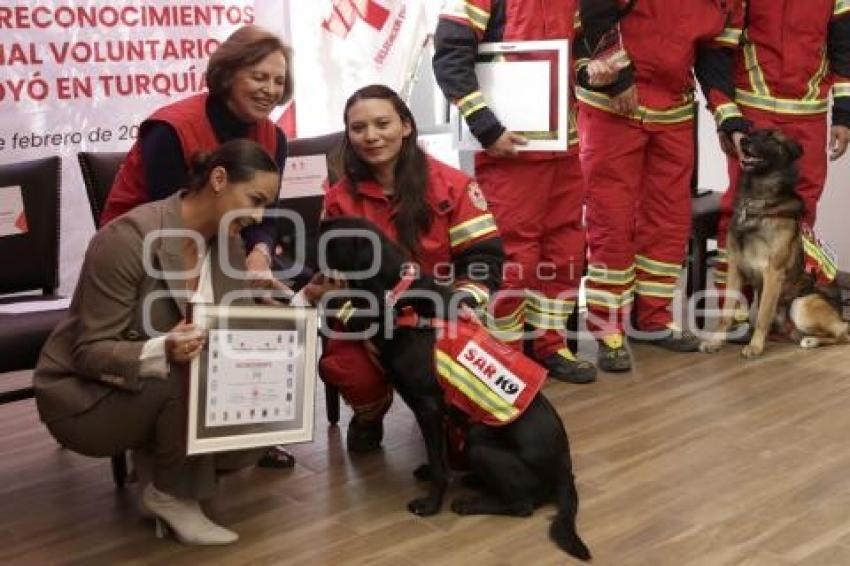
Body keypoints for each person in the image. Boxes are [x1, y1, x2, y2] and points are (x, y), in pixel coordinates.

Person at [34, 139, 282, 545]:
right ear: (219, 179)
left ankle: (160, 465)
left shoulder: (228, 243)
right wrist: (162, 348)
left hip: (154, 385)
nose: (256, 216)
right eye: (254, 199)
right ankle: (172, 495)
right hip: (83, 394)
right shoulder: (127, 239)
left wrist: (295, 304)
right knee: (185, 370)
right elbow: (87, 352)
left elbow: (228, 324)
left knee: (253, 426)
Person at [101, 23, 297, 467]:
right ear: (228, 74)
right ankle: (163, 439)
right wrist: (227, 275)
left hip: (220, 243)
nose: (270, 89)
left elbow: (267, 211)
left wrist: (260, 254)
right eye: (259, 76)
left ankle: (244, 423)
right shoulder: (171, 129)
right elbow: (169, 221)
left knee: (278, 302)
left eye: (278, 81)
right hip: (148, 249)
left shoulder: (275, 137)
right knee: (205, 310)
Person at [318, 84, 504, 453]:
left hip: (439, 317)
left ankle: (447, 416)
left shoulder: (452, 185)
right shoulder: (338, 198)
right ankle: (369, 416)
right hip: (370, 320)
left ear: (406, 126)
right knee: (346, 368)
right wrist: (364, 320)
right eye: (358, 128)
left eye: (382, 123)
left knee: (465, 453)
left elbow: (483, 258)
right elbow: (331, 282)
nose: (370, 136)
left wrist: (462, 302)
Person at [573, 0, 744, 371]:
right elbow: (594, 12)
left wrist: (725, 115)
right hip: (613, 107)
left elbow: (713, 56)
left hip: (674, 112)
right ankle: (607, 328)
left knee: (669, 222)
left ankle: (652, 318)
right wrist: (618, 79)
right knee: (612, 222)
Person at [433, 0, 598, 384]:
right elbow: (449, 56)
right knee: (513, 257)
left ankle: (551, 344)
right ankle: (505, 353)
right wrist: (487, 127)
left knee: (565, 252)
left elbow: (576, 52)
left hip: (564, 145)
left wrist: (593, 73)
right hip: (511, 149)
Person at [712, 0, 850, 334]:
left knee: (800, 217)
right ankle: (732, 313)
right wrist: (726, 116)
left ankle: (779, 313)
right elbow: (720, 47)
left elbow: (844, 49)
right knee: (739, 212)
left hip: (809, 113)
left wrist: (844, 115)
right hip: (753, 112)